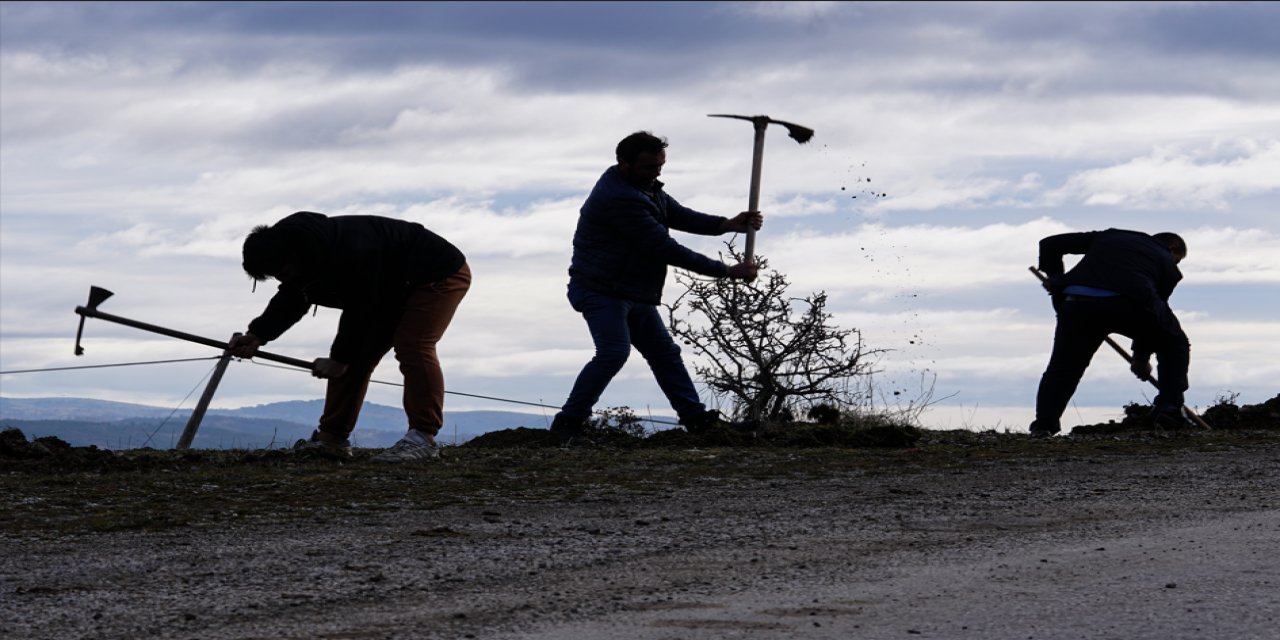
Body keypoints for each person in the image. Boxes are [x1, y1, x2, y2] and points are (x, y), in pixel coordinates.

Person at [549, 131, 762, 441]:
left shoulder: (646, 188)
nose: (657, 172)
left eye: (661, 165)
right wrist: (727, 271)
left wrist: (725, 224)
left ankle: (697, 420)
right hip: (600, 290)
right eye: (649, 167)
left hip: (632, 291)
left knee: (665, 354)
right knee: (613, 353)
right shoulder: (620, 199)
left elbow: (677, 214)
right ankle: (567, 424)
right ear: (624, 164)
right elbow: (664, 247)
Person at [228, 211, 470, 462]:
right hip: (391, 288)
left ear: (290, 256)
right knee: (353, 358)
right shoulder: (302, 255)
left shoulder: (352, 250)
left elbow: (362, 307)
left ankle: (423, 438)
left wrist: (339, 359)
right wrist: (257, 335)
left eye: (281, 272)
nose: (281, 278)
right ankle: (332, 439)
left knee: (413, 345)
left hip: (437, 274)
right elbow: (292, 297)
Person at [1031, 228, 1190, 437]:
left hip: (1078, 303)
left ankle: (1044, 426)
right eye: (1177, 260)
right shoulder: (1167, 264)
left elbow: (1050, 243)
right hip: (1131, 304)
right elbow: (1154, 314)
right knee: (1174, 343)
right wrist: (1141, 358)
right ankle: (1169, 410)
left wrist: (1057, 280)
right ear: (1172, 249)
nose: (1175, 264)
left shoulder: (1109, 236)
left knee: (1064, 368)